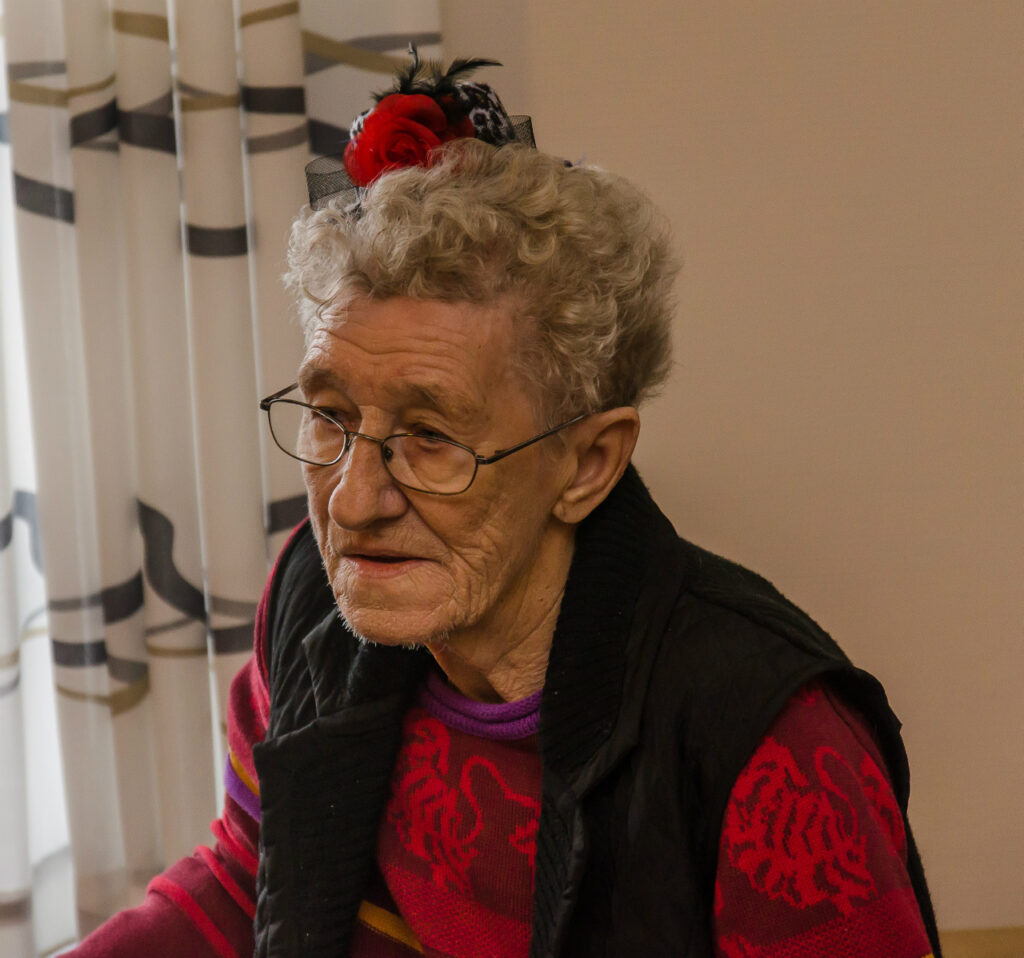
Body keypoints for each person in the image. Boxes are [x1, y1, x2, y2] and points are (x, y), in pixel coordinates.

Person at [72, 54, 942, 957]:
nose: (354, 503)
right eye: (331, 418)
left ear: (588, 464)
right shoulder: (307, 599)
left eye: (432, 436)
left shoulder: (771, 745)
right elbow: (246, 878)